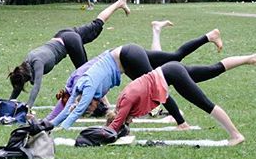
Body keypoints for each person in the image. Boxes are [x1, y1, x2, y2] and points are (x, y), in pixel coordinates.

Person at [49, 24, 223, 130]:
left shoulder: (87, 89)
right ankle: (209, 37)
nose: (96, 107)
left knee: (157, 87)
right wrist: (48, 122)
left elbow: (74, 111)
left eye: (91, 107)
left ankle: (180, 122)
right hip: (127, 59)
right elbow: (66, 109)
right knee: (175, 58)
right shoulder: (82, 90)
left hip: (128, 57)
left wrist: (59, 127)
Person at [106, 54, 256, 146]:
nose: (130, 122)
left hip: (172, 74)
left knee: (205, 104)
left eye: (127, 122)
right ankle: (250, 58)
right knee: (213, 69)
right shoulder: (122, 102)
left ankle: (236, 136)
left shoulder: (124, 105)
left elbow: (115, 125)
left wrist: (103, 135)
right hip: (171, 70)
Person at [9, 0, 131, 110]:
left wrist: (28, 107)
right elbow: (18, 86)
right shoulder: (25, 64)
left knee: (88, 74)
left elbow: (36, 87)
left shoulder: (37, 63)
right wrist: (9, 102)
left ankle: (105, 104)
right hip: (63, 35)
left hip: (70, 42)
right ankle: (119, 3)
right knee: (96, 26)